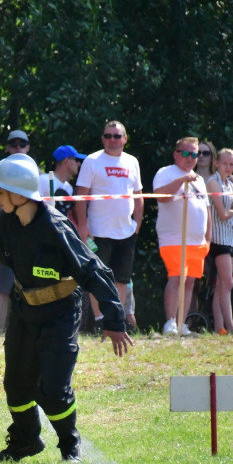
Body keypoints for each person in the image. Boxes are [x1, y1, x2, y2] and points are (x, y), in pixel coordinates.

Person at [0, 154, 132, 462]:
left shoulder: (56, 228)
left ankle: (70, 444)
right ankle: (25, 443)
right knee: (16, 385)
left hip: (61, 315)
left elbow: (94, 271)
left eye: (0, 193)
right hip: (23, 311)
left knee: (52, 391)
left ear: (19, 195)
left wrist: (114, 320)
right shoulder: (6, 225)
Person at [74, 121, 144, 334]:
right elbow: (80, 196)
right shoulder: (92, 161)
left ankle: (117, 320)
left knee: (121, 280)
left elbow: (139, 195)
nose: (112, 140)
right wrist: (83, 226)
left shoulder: (132, 162)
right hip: (99, 231)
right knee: (98, 278)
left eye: (117, 136)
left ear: (125, 138)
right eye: (108, 136)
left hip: (126, 231)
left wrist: (137, 224)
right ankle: (99, 320)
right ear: (103, 138)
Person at [153, 137, 211, 335]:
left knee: (190, 282)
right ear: (176, 154)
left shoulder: (200, 180)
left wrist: (208, 238)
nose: (190, 158)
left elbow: (207, 209)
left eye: (194, 154)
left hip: (197, 241)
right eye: (186, 153)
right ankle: (170, 321)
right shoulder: (166, 173)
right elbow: (160, 196)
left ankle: (181, 323)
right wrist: (181, 181)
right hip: (174, 238)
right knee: (177, 276)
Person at [0, 129, 31, 333]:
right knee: (3, 290)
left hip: (30, 240)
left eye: (22, 144)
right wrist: (11, 224)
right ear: (7, 147)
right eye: (14, 144)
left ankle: (30, 329)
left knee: (32, 288)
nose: (18, 148)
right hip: (7, 242)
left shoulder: (34, 173)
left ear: (28, 148)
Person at [207, 148, 233, 335]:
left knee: (223, 285)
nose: (228, 167)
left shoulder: (231, 184)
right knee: (228, 282)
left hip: (231, 239)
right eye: (225, 163)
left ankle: (219, 328)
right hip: (218, 238)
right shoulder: (213, 182)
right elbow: (223, 214)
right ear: (216, 163)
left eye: (232, 164)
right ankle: (231, 327)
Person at [38, 145, 85, 227]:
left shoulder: (69, 188)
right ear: (66, 161)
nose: (79, 164)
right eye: (76, 160)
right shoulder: (44, 180)